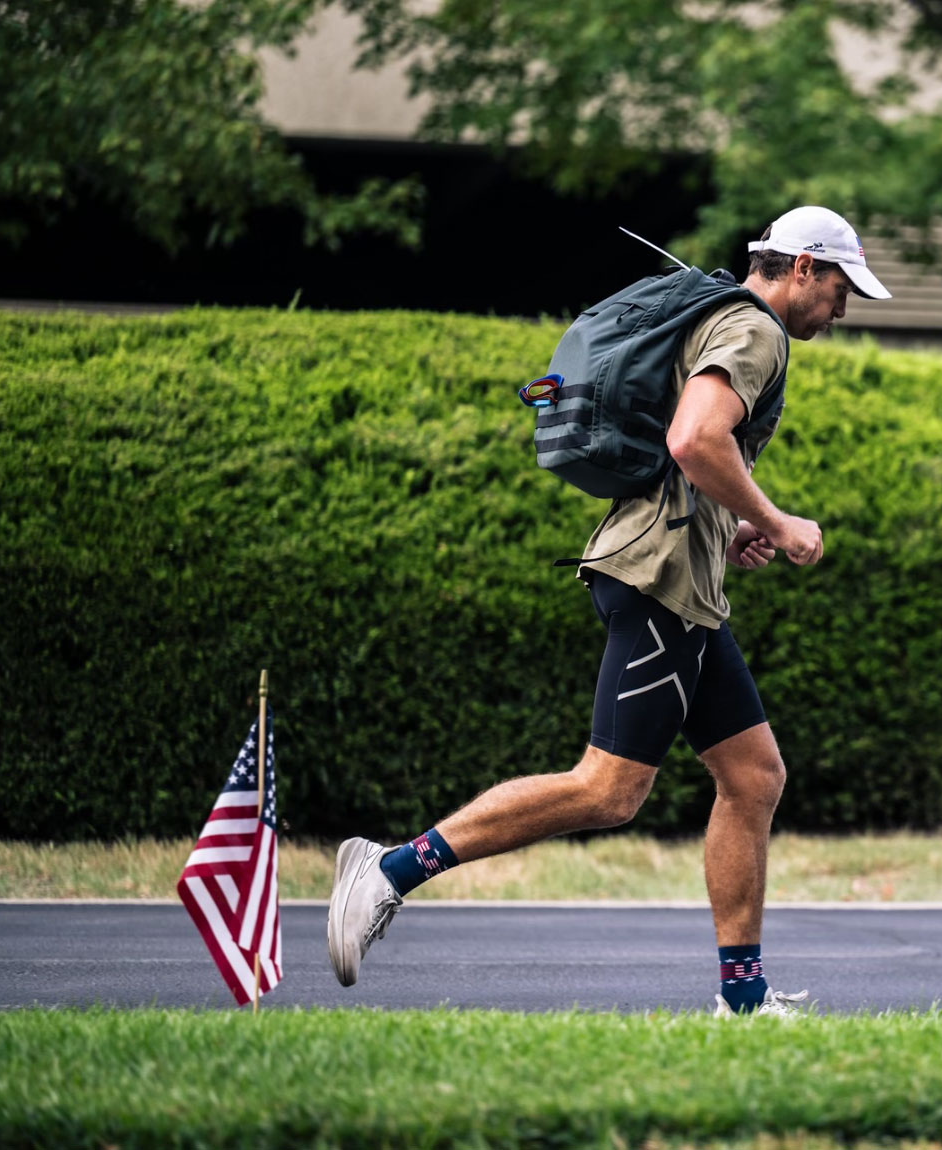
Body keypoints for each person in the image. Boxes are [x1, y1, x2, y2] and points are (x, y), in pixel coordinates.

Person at [327, 205, 892, 1015]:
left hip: (681, 576)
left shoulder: (721, 318)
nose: (843, 309)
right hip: (657, 578)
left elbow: (690, 455)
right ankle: (388, 870)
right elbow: (696, 439)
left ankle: (743, 999)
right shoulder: (757, 330)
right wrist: (779, 522)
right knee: (609, 790)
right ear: (803, 266)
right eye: (841, 289)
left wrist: (727, 531)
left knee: (755, 776)